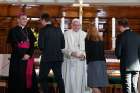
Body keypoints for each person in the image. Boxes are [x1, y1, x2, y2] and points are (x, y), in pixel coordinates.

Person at [7, 13, 38, 93]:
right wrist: (22, 55)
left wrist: (29, 54)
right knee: (18, 78)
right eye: (23, 18)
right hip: (17, 59)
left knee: (29, 78)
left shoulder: (29, 30)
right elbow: (14, 45)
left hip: (28, 58)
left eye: (26, 19)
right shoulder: (13, 30)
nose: (25, 20)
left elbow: (32, 45)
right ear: (18, 20)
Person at [38, 13, 65, 93]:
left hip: (47, 58)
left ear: (43, 20)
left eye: (40, 20)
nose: (40, 22)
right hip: (58, 58)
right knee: (59, 78)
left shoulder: (42, 31)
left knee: (42, 78)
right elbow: (63, 45)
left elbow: (41, 46)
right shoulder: (58, 29)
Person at [62, 18, 87, 93]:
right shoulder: (66, 34)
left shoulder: (84, 34)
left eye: (78, 25)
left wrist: (84, 55)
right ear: (71, 25)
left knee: (79, 80)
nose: (76, 27)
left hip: (81, 62)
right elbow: (62, 48)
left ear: (80, 26)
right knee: (70, 80)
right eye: (74, 25)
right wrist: (72, 53)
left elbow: (88, 49)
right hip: (69, 61)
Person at [115, 19, 140, 93]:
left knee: (127, 88)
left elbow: (118, 54)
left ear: (121, 26)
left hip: (126, 66)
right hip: (137, 67)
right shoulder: (137, 36)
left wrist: (119, 56)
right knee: (134, 86)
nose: (119, 29)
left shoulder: (120, 36)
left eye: (118, 27)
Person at [85, 24, 108, 93]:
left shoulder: (88, 39)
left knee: (93, 84)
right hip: (102, 63)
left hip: (93, 63)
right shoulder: (100, 39)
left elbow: (87, 52)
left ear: (89, 31)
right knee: (98, 84)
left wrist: (86, 62)